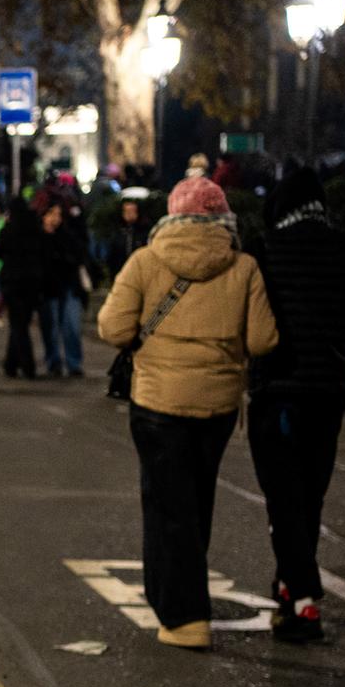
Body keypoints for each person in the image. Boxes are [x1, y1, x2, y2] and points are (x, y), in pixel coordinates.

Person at [98, 177, 277, 650]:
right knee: (196, 504)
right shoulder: (245, 268)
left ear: (171, 217)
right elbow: (262, 341)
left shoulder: (145, 260)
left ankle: (184, 616)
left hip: (158, 401)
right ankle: (173, 599)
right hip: (217, 405)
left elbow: (113, 328)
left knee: (165, 505)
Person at [246, 168, 345, 644]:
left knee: (282, 499)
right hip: (329, 393)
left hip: (278, 390)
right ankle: (289, 587)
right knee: (309, 496)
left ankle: (303, 600)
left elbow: (253, 324)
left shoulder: (263, 250)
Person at [0, 197, 49, 379]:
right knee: (21, 323)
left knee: (18, 325)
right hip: (33, 283)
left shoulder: (9, 229)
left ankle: (27, 365)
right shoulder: (35, 229)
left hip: (13, 282)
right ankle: (10, 364)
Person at [38, 198, 88, 377]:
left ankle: (73, 362)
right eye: (51, 214)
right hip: (48, 289)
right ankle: (54, 361)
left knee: (71, 326)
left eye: (58, 214)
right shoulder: (38, 237)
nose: (55, 218)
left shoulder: (67, 235)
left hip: (68, 287)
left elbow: (79, 255)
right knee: (50, 328)